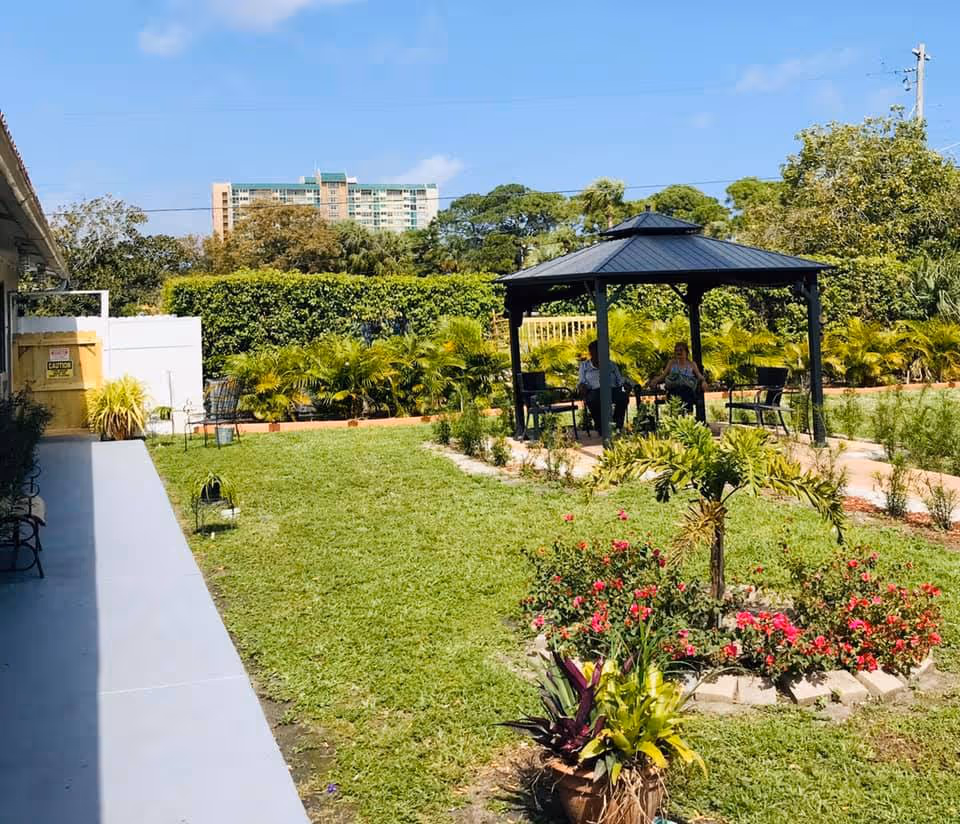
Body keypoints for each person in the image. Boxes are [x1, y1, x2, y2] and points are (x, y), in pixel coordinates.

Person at [578, 340, 629, 433]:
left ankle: (617, 425)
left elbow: (619, 380)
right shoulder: (584, 366)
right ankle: (601, 426)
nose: (599, 354)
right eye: (596, 351)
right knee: (593, 399)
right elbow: (582, 382)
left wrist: (625, 385)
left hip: (612, 390)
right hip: (594, 391)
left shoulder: (611, 364)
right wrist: (582, 388)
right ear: (591, 353)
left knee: (623, 396)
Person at [647, 341, 707, 412]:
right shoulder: (672, 363)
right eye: (676, 350)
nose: (678, 352)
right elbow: (663, 376)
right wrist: (655, 381)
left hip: (687, 391)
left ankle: (686, 415)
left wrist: (703, 382)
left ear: (686, 352)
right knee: (676, 394)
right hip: (674, 390)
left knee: (686, 392)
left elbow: (700, 376)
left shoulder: (692, 364)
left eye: (681, 350)